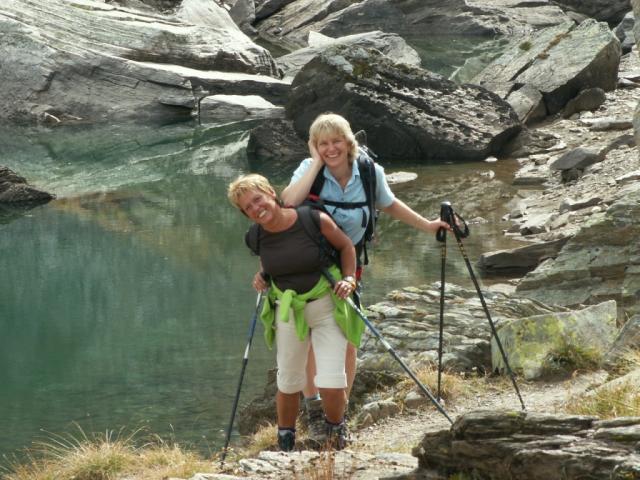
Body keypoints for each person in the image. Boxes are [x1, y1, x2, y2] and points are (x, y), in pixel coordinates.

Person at [251, 113, 452, 441]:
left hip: (348, 261)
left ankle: (338, 409)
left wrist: (428, 225)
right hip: (308, 266)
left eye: (336, 141)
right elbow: (288, 202)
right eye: (322, 143)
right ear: (314, 147)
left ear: (348, 142)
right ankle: (314, 407)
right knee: (312, 338)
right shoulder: (309, 171)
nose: (331, 148)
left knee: (347, 338)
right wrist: (315, 164)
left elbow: (389, 204)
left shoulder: (369, 172)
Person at [227, 173, 364, 451]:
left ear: (270, 192)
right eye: (248, 208)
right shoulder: (255, 236)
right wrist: (262, 276)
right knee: (288, 380)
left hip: (326, 304)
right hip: (288, 311)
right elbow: (270, 263)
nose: (256, 208)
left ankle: (336, 432)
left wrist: (349, 279)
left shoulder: (312, 220)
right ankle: (286, 440)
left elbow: (346, 246)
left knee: (330, 379)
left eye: (257, 199)